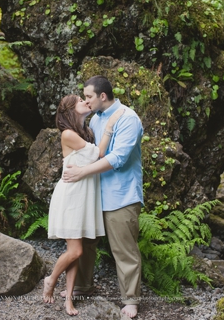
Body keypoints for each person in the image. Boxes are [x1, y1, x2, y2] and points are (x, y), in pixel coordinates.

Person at [62, 75, 144, 318]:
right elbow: (90, 152)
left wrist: (81, 172)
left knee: (124, 249)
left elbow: (118, 158)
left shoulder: (128, 118)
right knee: (86, 244)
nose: (86, 101)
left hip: (121, 195)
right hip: (93, 194)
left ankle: (131, 300)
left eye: (88, 97)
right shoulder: (95, 119)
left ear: (103, 96)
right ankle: (82, 286)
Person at [42, 94, 123, 315]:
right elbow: (98, 154)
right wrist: (110, 126)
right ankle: (50, 279)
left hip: (84, 195)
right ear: (69, 109)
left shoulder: (84, 133)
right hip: (72, 196)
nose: (86, 102)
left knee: (74, 251)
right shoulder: (68, 134)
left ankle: (69, 300)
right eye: (80, 101)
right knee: (76, 251)